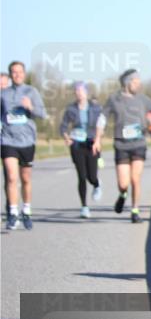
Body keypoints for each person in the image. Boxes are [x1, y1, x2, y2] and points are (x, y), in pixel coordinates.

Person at [104, 69, 151, 223]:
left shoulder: (143, 99)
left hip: (138, 144)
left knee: (135, 178)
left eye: (139, 81)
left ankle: (135, 211)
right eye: (135, 81)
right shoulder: (114, 99)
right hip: (121, 145)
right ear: (126, 83)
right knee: (123, 183)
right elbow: (102, 118)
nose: (139, 84)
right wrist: (97, 137)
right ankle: (123, 194)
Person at [1, 61, 48, 230]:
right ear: (10, 74)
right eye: (14, 72)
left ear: (24, 73)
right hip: (7, 140)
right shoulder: (3, 94)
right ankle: (13, 213)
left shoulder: (31, 91)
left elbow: (43, 114)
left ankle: (26, 211)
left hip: (27, 141)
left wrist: (31, 107)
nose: (17, 75)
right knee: (12, 177)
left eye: (20, 72)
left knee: (25, 178)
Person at [60, 82, 105, 218]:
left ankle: (97, 184)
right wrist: (66, 137)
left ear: (86, 92)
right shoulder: (71, 109)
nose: (79, 93)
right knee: (81, 176)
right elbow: (63, 126)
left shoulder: (96, 108)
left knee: (91, 176)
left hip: (91, 143)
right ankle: (84, 207)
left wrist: (98, 140)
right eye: (76, 91)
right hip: (77, 144)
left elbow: (101, 124)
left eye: (81, 90)